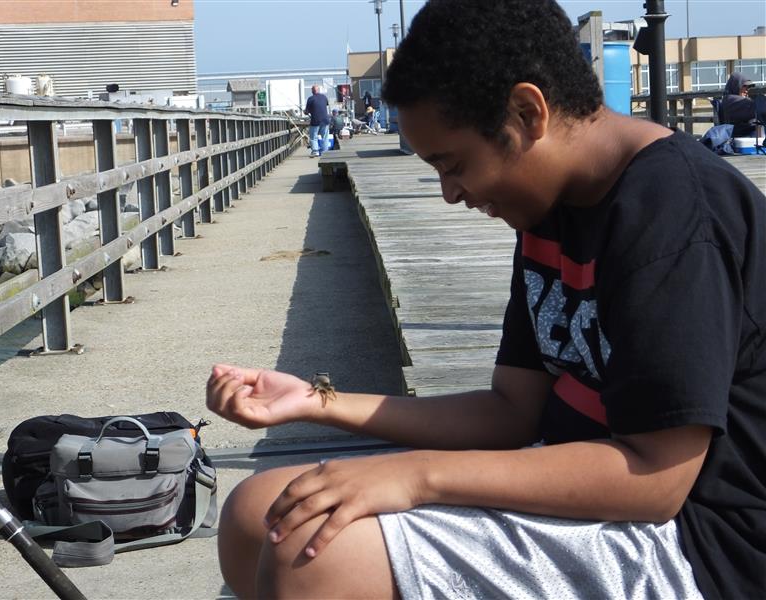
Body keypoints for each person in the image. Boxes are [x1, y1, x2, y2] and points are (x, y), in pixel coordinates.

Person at [206, 1, 765, 599]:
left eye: (453, 165)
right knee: (257, 514)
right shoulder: (548, 207)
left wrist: (415, 475)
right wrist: (317, 401)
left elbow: (656, 479)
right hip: (592, 487)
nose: (450, 194)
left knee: (314, 556)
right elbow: (511, 409)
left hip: (699, 544)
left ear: (527, 113)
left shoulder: (673, 215)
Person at [721, 72, 757, 137]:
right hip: (740, 136)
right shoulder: (729, 100)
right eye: (744, 86)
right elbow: (754, 107)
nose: (747, 90)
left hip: (748, 134)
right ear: (736, 85)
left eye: (749, 87)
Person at [303, 84, 330, 157]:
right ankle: (325, 152)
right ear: (318, 90)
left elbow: (307, 111)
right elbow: (325, 105)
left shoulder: (310, 99)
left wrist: (305, 112)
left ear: (312, 91)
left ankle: (315, 151)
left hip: (315, 121)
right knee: (325, 137)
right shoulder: (324, 97)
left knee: (313, 137)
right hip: (325, 120)